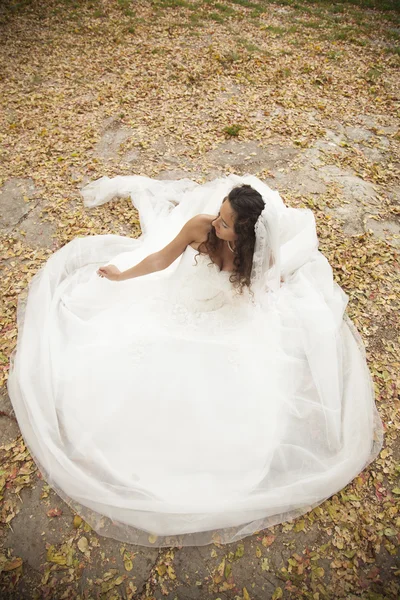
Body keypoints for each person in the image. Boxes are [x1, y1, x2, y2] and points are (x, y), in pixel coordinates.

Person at [7, 173, 384, 548]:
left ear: (246, 234)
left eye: (225, 223)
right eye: (218, 215)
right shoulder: (199, 228)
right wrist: (122, 276)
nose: (216, 224)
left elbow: (261, 287)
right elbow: (159, 258)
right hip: (180, 305)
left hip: (226, 318)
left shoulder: (258, 251)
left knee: (225, 397)